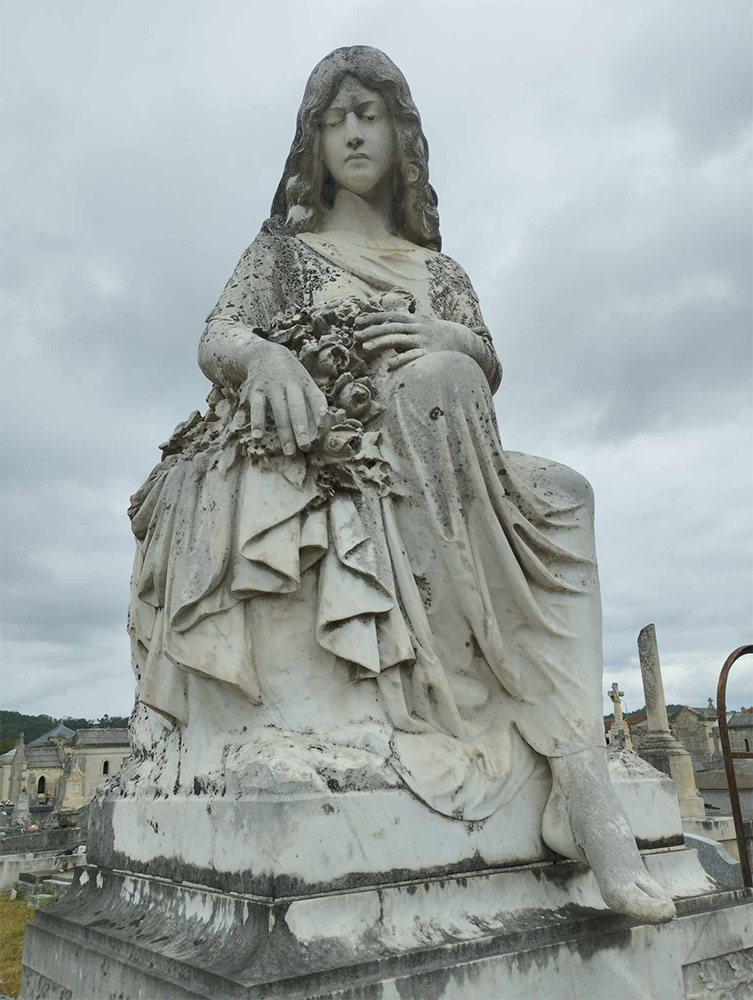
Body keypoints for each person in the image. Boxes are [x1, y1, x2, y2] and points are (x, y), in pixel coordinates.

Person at [127, 46, 674, 923]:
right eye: (335, 116)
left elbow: (485, 363)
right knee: (435, 388)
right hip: (336, 435)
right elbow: (216, 336)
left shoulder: (441, 272)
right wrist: (265, 355)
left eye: (368, 114)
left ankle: (571, 763)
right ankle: (581, 785)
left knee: (566, 489)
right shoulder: (283, 253)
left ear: (400, 134)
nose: (352, 130)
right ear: (312, 138)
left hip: (445, 444)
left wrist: (449, 342)